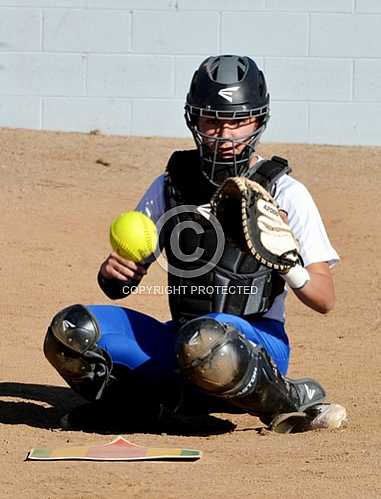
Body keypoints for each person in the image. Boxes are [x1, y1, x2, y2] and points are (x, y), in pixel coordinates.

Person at [44, 55, 346, 433]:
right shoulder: (171, 185)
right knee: (70, 331)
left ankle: (285, 397)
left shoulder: (284, 192)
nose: (225, 134)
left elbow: (325, 299)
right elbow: (120, 284)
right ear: (194, 120)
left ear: (259, 120)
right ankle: (142, 409)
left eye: (238, 121)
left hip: (256, 345)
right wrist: (115, 273)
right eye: (212, 120)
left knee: (207, 338)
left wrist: (287, 263)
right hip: (183, 341)